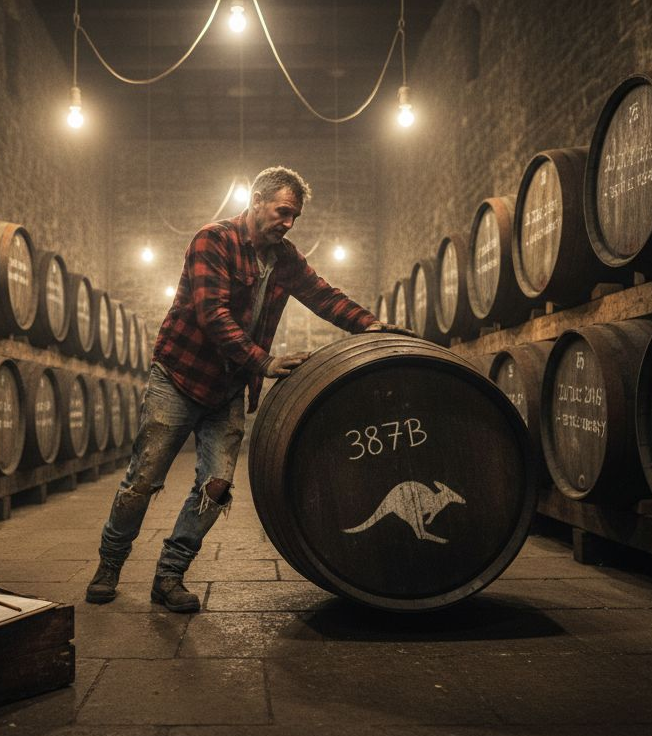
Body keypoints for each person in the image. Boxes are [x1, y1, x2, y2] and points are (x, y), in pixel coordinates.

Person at [85, 165, 410, 613]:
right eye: (282, 211)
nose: (288, 223)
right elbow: (212, 314)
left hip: (227, 386)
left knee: (217, 484)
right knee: (144, 479)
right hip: (179, 376)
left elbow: (322, 294)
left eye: (295, 216)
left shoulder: (284, 257)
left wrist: (370, 324)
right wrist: (265, 361)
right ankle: (110, 564)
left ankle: (170, 574)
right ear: (256, 201)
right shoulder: (212, 240)